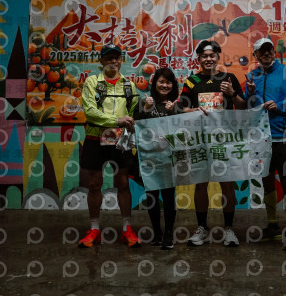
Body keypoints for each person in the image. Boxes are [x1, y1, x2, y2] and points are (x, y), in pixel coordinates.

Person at [179, 40, 246, 247]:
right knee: (201, 183)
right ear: (198, 59)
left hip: (224, 140)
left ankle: (229, 229)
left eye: (212, 55)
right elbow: (181, 108)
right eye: (204, 56)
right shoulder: (191, 81)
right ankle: (202, 228)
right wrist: (192, 110)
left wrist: (232, 94)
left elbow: (243, 108)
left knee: (227, 183)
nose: (208, 59)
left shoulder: (229, 78)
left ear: (218, 57)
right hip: (199, 140)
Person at [245, 38, 286, 251]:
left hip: (283, 137)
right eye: (261, 51)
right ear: (255, 55)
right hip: (261, 138)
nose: (266, 53)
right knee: (267, 180)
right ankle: (272, 225)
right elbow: (247, 107)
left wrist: (280, 105)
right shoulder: (252, 76)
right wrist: (250, 93)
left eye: (269, 50)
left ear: (274, 52)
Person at [78, 44, 142, 248]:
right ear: (101, 61)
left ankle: (127, 229)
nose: (113, 61)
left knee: (123, 183)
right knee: (94, 184)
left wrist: (131, 122)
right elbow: (90, 112)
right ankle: (94, 229)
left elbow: (133, 112)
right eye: (109, 58)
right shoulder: (92, 82)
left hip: (120, 141)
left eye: (117, 58)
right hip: (95, 138)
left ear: (121, 61)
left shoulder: (129, 85)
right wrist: (116, 121)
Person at [134, 67, 181, 250]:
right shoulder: (144, 102)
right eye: (161, 81)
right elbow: (134, 125)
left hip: (169, 159)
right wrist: (145, 109)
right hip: (149, 158)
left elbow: (181, 133)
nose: (165, 85)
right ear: (155, 84)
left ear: (173, 85)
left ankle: (168, 234)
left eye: (168, 82)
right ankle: (156, 233)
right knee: (152, 196)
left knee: (169, 196)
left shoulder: (175, 105)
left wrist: (173, 113)